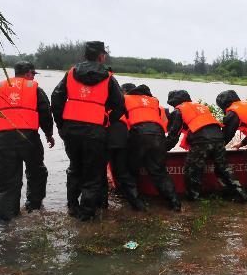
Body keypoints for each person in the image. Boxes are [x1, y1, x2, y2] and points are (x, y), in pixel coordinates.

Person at [51, 41, 125, 221]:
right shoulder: (108, 78)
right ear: (101, 56)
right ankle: (86, 214)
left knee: (75, 168)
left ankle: (72, 206)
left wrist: (61, 124)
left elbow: (56, 98)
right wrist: (106, 120)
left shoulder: (70, 73)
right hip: (95, 131)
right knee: (92, 173)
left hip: (71, 130)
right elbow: (120, 106)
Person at [0, 62, 54, 221]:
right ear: (29, 73)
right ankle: (33, 207)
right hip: (28, 139)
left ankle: (7, 221)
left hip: (1, 140)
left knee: (6, 183)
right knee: (36, 172)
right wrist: (49, 134)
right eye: (33, 74)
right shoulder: (35, 88)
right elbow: (45, 114)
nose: (33, 77)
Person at [165, 90, 247, 202]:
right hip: (219, 139)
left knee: (192, 170)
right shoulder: (201, 107)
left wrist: (163, 149)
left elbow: (173, 136)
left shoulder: (178, 110)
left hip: (201, 141)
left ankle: (194, 198)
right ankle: (241, 194)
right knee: (224, 168)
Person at [124, 84, 181, 211]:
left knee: (130, 171)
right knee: (160, 172)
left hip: (138, 133)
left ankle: (138, 205)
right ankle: (175, 203)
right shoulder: (154, 101)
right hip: (158, 135)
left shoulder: (125, 99)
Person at [106, 82, 146, 211]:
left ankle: (103, 204)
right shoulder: (130, 104)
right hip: (125, 140)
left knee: (108, 172)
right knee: (124, 172)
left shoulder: (110, 102)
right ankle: (137, 203)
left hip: (110, 140)